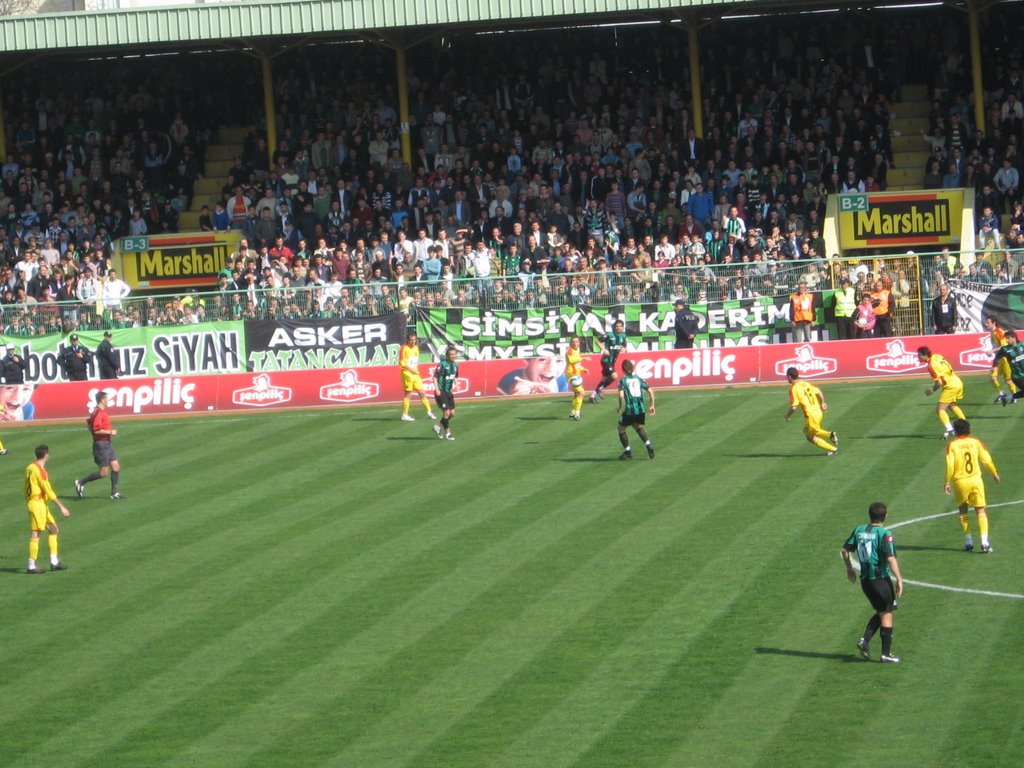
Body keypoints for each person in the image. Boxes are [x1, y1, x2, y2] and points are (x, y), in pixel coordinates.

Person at [841, 501, 904, 663]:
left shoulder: (859, 530)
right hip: (880, 579)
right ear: (886, 516)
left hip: (866, 581)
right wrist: (899, 579)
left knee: (883, 610)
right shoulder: (884, 534)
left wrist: (849, 568)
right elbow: (890, 558)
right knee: (887, 612)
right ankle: (885, 654)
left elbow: (844, 550)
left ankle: (865, 640)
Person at [945, 419, 999, 553]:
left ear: (956, 431)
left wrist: (946, 481)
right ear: (969, 429)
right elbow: (986, 459)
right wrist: (994, 472)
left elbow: (950, 465)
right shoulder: (976, 442)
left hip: (960, 482)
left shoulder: (952, 445)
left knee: (963, 510)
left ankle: (969, 542)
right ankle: (985, 543)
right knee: (980, 510)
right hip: (976, 480)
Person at [25, 443, 71, 574]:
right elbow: (48, 491)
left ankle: (54, 562)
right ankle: (31, 565)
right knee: (36, 533)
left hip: (38, 503)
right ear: (46, 456)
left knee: (54, 529)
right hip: (37, 504)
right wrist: (62, 507)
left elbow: (25, 487)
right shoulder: (41, 472)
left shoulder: (29, 467)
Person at [74, 390, 125, 500]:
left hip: (107, 443)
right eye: (107, 399)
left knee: (116, 466)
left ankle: (114, 493)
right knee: (104, 472)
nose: (108, 401)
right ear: (102, 399)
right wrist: (110, 432)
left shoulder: (99, 412)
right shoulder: (98, 412)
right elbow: (96, 430)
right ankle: (81, 482)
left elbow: (88, 423)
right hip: (101, 445)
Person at [785, 367, 838, 456]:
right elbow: (819, 392)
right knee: (808, 435)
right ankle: (832, 449)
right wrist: (823, 403)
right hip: (818, 412)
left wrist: (787, 416)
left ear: (790, 377)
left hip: (811, 415)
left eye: (787, 377)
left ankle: (831, 436)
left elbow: (794, 407)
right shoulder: (805, 383)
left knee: (815, 432)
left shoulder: (793, 389)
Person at [918, 346, 966, 439]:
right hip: (957, 381)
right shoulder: (937, 356)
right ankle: (964, 423)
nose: (918, 357)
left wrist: (931, 390)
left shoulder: (931, 366)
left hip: (950, 386)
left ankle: (949, 429)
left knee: (940, 409)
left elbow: (939, 383)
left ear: (925, 356)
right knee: (952, 405)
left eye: (919, 355)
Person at [616, 358, 655, 460]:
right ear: (632, 368)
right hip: (640, 410)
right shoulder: (639, 378)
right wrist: (652, 405)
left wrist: (620, 407)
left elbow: (620, 396)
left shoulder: (623, 380)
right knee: (637, 426)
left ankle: (627, 451)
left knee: (621, 428)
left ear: (623, 369)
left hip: (629, 410)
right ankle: (648, 445)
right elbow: (650, 391)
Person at [398, 331, 435, 422]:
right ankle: (404, 414)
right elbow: (401, 362)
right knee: (408, 394)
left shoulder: (415, 348)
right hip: (407, 373)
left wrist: (414, 370)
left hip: (415, 373)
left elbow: (415, 361)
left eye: (414, 340)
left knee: (422, 393)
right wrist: (410, 369)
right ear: (407, 340)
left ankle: (429, 412)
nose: (413, 342)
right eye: (411, 340)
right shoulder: (404, 348)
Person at [0, 342, 29, 450]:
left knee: (19, 401)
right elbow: (1, 372)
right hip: (11, 383)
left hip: (20, 382)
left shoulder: (17, 357)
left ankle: (20, 419)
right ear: (7, 351)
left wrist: (19, 361)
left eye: (12, 349)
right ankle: (11, 420)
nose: (11, 351)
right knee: (12, 402)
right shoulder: (4, 360)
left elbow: (25, 365)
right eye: (10, 350)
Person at [590, 319, 627, 403]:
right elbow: (597, 341)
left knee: (604, 379)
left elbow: (625, 346)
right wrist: (603, 349)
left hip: (612, 361)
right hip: (606, 360)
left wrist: (624, 349)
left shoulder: (623, 336)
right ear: (614, 327)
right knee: (614, 376)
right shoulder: (610, 335)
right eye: (617, 326)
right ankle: (601, 389)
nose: (619, 328)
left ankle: (593, 396)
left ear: (623, 327)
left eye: (620, 326)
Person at [496, 355, 569, 395]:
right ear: (527, 360)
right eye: (543, 360)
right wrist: (512, 398)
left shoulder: (562, 380)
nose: (551, 369)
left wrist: (550, 395)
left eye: (559, 360)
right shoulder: (509, 380)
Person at [984, 317, 1017, 403]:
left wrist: (992, 351)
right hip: (999, 359)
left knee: (1008, 380)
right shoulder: (992, 333)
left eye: (988, 322)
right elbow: (996, 347)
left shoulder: (999, 332)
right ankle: (1001, 395)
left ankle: (1014, 397)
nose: (986, 324)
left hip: (1005, 359)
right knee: (993, 377)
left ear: (994, 323)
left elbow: (1004, 346)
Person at [432, 345, 458, 440]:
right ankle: (448, 433)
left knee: (452, 413)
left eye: (454, 354)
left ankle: (438, 426)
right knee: (446, 412)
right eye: (451, 355)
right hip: (441, 391)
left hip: (448, 392)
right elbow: (434, 377)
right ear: (447, 355)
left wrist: (455, 381)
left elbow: (455, 375)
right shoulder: (442, 364)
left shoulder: (455, 365)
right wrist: (437, 389)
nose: (453, 356)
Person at [994, 330, 1024, 405]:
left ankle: (1007, 398)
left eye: (1008, 338)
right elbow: (997, 357)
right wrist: (994, 366)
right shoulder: (1005, 349)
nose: (1007, 340)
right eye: (1006, 338)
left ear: (1014, 337)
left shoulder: (1022, 345)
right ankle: (1009, 398)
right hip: (1017, 376)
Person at [565, 335, 588, 421]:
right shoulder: (570, 351)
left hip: (576, 374)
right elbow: (571, 361)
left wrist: (583, 369)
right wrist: (583, 358)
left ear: (579, 342)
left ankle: (572, 412)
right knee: (582, 393)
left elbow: (576, 364)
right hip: (571, 375)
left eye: (576, 341)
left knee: (576, 394)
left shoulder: (577, 350)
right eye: (573, 342)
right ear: (571, 342)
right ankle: (577, 414)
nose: (575, 343)